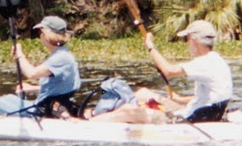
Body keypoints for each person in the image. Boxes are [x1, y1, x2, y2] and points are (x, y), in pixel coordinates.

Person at [92, 20, 233, 124]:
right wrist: (180, 100)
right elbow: (211, 96)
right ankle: (106, 114)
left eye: (187, 39)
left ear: (194, 40)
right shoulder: (215, 60)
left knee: (128, 110)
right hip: (194, 111)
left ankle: (90, 123)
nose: (186, 43)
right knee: (143, 93)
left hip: (190, 120)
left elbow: (168, 71)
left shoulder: (206, 62)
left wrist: (151, 47)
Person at [0, 15, 82, 117]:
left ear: (46, 35)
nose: (40, 36)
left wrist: (19, 55)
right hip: (47, 103)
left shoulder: (60, 58)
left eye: (40, 33)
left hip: (42, 109)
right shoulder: (64, 53)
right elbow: (60, 87)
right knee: (9, 98)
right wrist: (33, 88)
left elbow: (31, 73)